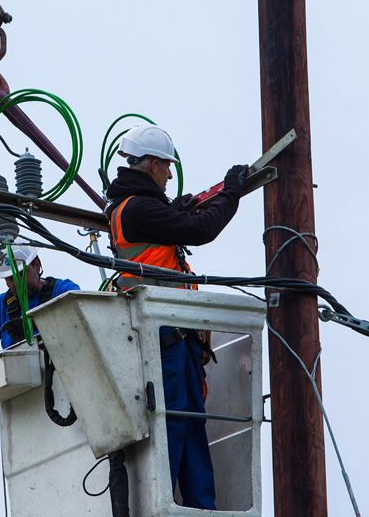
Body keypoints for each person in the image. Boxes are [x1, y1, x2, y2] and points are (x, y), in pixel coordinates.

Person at [104, 124, 247, 510]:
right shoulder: (138, 209)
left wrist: (176, 209)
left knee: (188, 427)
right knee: (174, 429)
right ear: (151, 165)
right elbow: (200, 230)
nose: (169, 174)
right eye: (166, 166)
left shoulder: (130, 209)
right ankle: (167, 506)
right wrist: (231, 194)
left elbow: (166, 226)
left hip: (173, 338)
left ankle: (201, 509)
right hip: (163, 339)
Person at [0, 246, 80, 353]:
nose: (18, 284)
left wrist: (33, 323)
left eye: (21, 274)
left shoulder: (63, 291)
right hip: (20, 367)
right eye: (11, 279)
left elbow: (77, 326)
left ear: (36, 265)